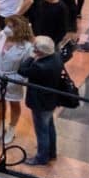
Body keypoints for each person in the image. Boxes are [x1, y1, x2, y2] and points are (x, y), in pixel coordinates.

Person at [20, 36, 73, 166]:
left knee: (41, 130)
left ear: (41, 52)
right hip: (51, 99)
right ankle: (51, 152)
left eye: (35, 49)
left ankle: (41, 157)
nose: (34, 50)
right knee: (49, 126)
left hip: (40, 102)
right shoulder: (56, 58)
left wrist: (32, 57)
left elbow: (21, 70)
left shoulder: (40, 66)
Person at [0, 15, 34, 148]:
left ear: (19, 29)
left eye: (11, 26)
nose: (7, 28)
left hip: (13, 79)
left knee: (13, 103)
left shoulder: (27, 47)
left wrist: (17, 81)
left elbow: (26, 70)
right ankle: (1, 124)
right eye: (7, 25)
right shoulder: (1, 35)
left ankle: (11, 128)